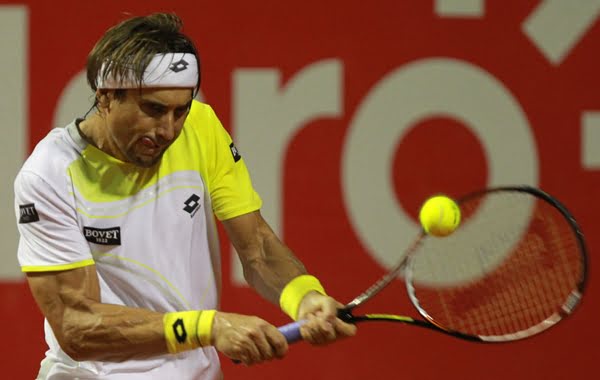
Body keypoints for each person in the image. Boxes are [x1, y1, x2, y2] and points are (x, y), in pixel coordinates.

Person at [14, 12, 356, 379]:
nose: (168, 129)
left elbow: (256, 246)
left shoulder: (200, 128)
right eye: (154, 109)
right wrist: (207, 327)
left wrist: (305, 298)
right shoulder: (49, 174)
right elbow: (76, 325)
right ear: (106, 97)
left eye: (181, 110)